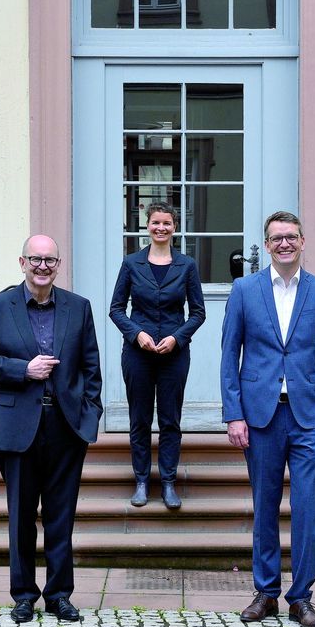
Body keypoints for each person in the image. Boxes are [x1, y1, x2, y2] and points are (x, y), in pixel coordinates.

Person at [220, 211, 315, 627]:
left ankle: (302, 598)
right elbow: (228, 356)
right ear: (267, 245)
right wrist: (233, 413)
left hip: (309, 417)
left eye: (291, 237)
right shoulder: (245, 289)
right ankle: (266, 593)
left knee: (308, 509)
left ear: (303, 241)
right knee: (265, 506)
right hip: (260, 416)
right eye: (276, 238)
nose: (284, 244)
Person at [0, 235, 103, 624]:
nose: (43, 266)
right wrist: (22, 369)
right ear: (22, 262)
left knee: (61, 516)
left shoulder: (78, 308)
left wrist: (89, 415)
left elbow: (91, 366)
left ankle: (60, 595)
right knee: (21, 516)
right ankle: (24, 595)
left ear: (58, 264)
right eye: (35, 259)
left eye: (50, 260)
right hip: (18, 427)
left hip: (66, 426)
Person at [108, 202, 205, 510]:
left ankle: (167, 482)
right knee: (139, 419)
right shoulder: (131, 263)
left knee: (170, 420)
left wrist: (178, 338)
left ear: (174, 227)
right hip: (138, 354)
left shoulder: (186, 265)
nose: (161, 227)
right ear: (147, 226)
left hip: (174, 356)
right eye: (155, 222)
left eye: (167, 223)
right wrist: (136, 333)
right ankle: (140, 480)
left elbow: (198, 313)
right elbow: (116, 309)